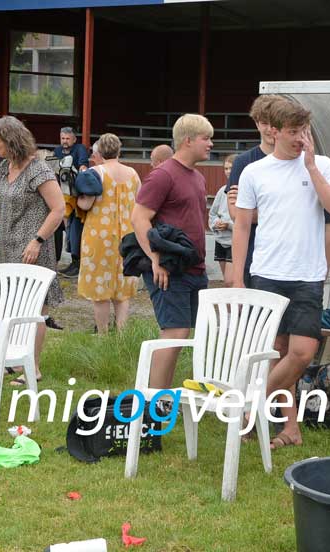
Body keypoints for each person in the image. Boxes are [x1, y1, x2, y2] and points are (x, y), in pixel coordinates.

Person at [231, 98, 330, 449]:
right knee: (278, 354)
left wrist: (311, 168)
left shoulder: (322, 165)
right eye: (294, 132)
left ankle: (251, 405)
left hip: (307, 276)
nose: (301, 138)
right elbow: (241, 227)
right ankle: (290, 428)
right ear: (275, 131)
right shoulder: (254, 171)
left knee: (301, 353)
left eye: (305, 131)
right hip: (266, 273)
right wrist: (238, 277)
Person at [0, 116, 65, 386]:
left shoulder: (38, 170)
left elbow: (59, 209)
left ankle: (33, 368)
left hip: (32, 249)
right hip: (5, 245)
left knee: (32, 308)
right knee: (6, 306)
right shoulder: (4, 167)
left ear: (12, 140)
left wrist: (38, 240)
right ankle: (11, 358)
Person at [131, 114, 213, 388]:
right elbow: (139, 218)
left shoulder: (198, 177)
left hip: (195, 267)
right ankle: (153, 400)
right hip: (170, 268)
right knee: (174, 330)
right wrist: (155, 259)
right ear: (187, 140)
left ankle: (162, 396)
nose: (211, 144)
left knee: (183, 332)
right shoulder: (163, 174)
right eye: (206, 138)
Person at [78, 133, 141, 333]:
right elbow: (139, 202)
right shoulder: (133, 173)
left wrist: (77, 201)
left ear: (99, 152)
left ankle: (103, 335)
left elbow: (86, 204)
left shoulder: (95, 173)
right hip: (128, 235)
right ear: (119, 150)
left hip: (100, 235)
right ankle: (121, 336)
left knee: (100, 289)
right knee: (122, 290)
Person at [225, 95, 282, 286]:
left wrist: (254, 210)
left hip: (287, 260)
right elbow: (236, 214)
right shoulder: (243, 162)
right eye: (264, 122)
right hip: (253, 256)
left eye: (274, 122)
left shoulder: (297, 162)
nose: (269, 129)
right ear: (257, 123)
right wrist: (281, 210)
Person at [55, 126, 90, 279]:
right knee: (62, 229)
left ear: (74, 139)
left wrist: (81, 172)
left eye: (68, 139)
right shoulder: (56, 151)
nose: (65, 141)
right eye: (63, 138)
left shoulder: (80, 149)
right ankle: (61, 261)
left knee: (75, 229)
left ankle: (77, 263)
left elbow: (83, 165)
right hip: (60, 194)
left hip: (76, 194)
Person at [209, 154, 236, 286]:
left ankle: (237, 306)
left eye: (231, 168)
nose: (228, 171)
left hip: (235, 242)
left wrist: (229, 225)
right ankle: (231, 307)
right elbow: (212, 214)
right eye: (226, 168)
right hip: (221, 240)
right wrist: (216, 224)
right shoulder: (221, 191)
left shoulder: (245, 190)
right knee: (227, 283)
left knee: (231, 281)